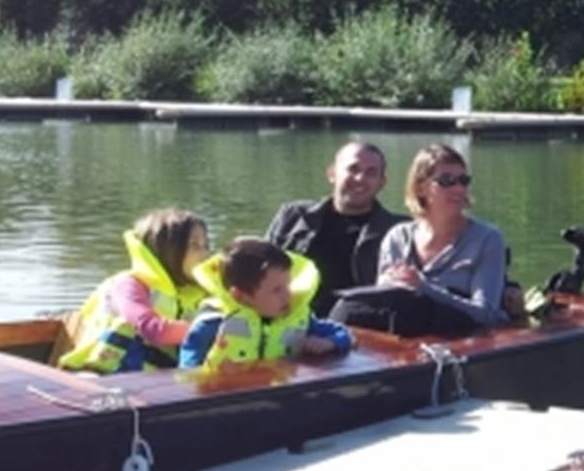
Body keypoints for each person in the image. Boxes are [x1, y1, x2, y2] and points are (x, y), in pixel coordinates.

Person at [331, 144, 510, 337]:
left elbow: (487, 314)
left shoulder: (487, 238)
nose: (458, 188)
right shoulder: (398, 237)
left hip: (460, 333)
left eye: (463, 181)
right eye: (446, 181)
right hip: (403, 331)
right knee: (346, 308)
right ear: (421, 187)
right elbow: (383, 300)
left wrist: (424, 288)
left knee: (413, 306)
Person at [60, 209, 211, 372]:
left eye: (206, 245)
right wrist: (207, 329)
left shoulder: (202, 292)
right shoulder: (128, 285)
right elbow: (152, 329)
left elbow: (232, 323)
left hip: (163, 381)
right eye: (195, 246)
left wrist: (234, 327)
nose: (206, 254)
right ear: (167, 251)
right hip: (102, 375)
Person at [265, 141, 404, 318]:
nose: (360, 178)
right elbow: (259, 270)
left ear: (381, 182)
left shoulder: (397, 231)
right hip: (288, 318)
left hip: (359, 327)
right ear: (332, 173)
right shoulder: (293, 216)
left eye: (371, 173)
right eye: (353, 169)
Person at [179, 237, 352, 371]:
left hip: (278, 399)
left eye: (288, 285)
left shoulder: (299, 317)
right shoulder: (214, 321)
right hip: (225, 399)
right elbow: (188, 365)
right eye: (276, 290)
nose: (288, 295)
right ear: (240, 295)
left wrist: (331, 343)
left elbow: (343, 334)